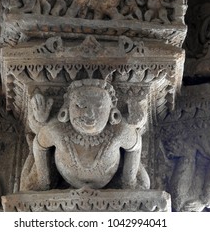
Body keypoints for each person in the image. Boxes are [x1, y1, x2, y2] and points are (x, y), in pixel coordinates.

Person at [21, 79, 150, 191]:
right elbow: (39, 145)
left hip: (114, 186)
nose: (90, 114)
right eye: (81, 106)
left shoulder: (119, 132)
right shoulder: (57, 131)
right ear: (67, 109)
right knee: (30, 188)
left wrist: (129, 179)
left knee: (140, 188)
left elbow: (136, 146)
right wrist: (43, 179)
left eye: (99, 106)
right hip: (59, 182)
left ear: (112, 111)